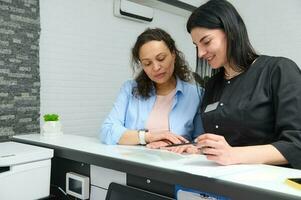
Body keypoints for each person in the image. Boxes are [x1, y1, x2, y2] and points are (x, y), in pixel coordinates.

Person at [166, 0, 301, 169]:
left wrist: (233, 155)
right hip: (224, 182)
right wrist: (198, 149)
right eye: (196, 46)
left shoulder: (278, 70)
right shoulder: (212, 85)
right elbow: (224, 143)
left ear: (230, 31)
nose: (200, 53)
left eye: (206, 42)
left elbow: (297, 144)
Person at [100, 28, 203, 148]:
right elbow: (107, 130)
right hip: (133, 163)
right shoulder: (130, 89)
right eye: (147, 63)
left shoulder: (196, 94)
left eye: (161, 58)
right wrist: (147, 137)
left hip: (174, 163)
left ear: (173, 54)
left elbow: (200, 140)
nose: (155, 67)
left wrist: (183, 146)